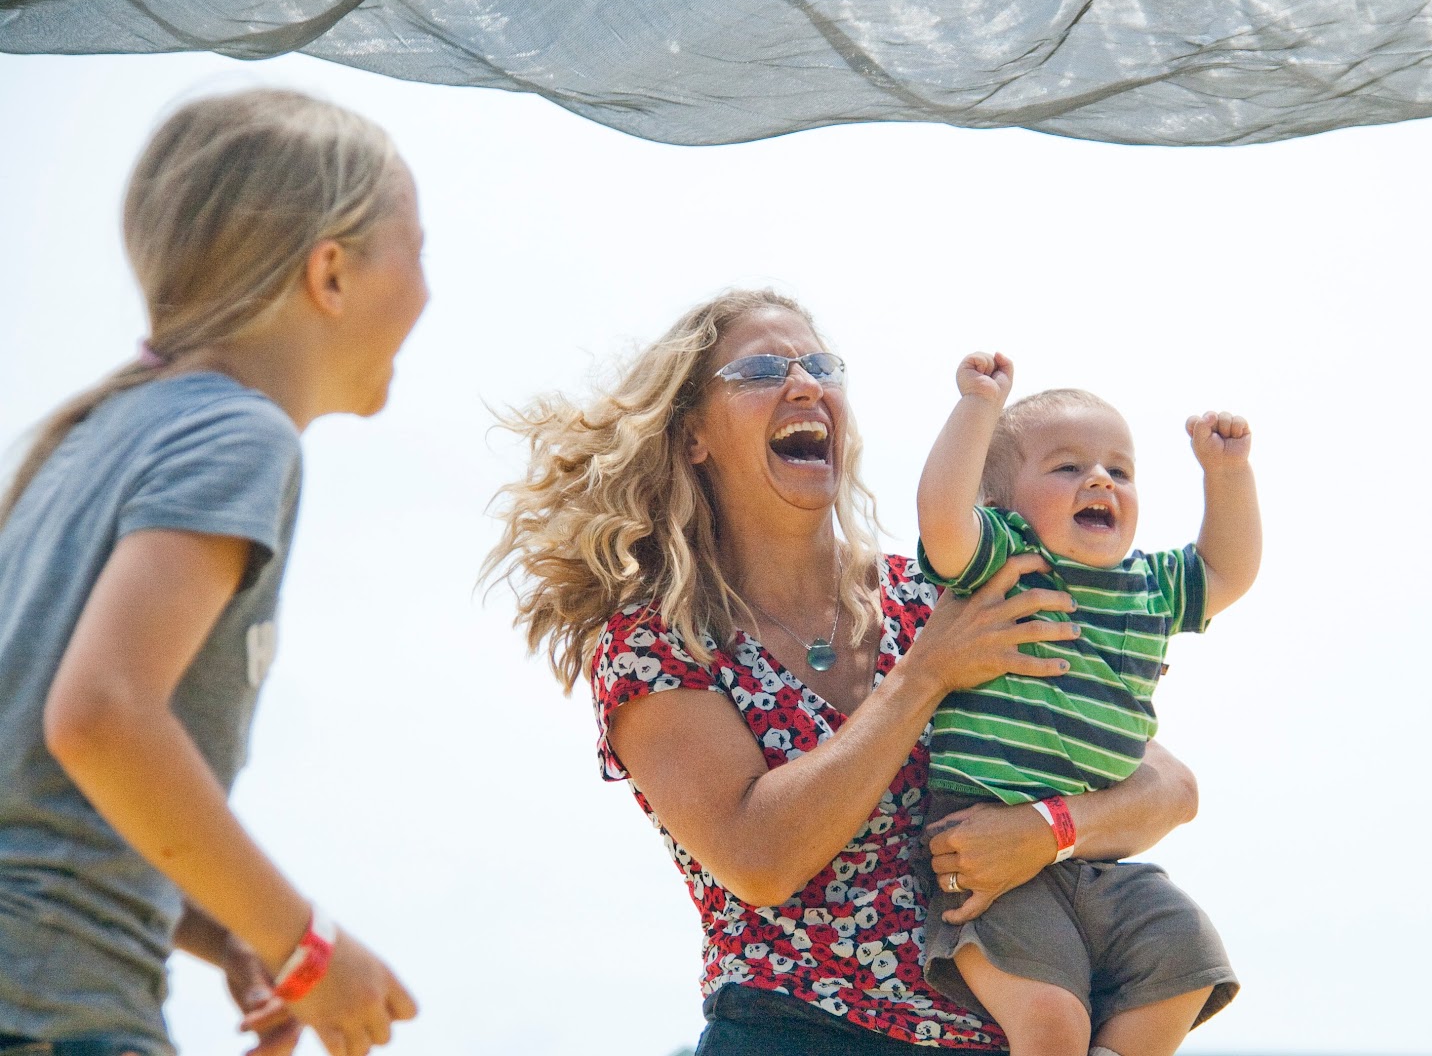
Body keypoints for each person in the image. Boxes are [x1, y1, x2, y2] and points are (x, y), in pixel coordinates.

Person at [487, 289, 1203, 1053]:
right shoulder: (658, 643)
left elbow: (1165, 787)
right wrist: (924, 675)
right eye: (763, 369)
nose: (807, 386)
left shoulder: (945, 594)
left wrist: (1044, 830)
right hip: (795, 1031)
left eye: (821, 367)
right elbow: (760, 860)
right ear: (693, 435)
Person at [0, 90, 425, 1056]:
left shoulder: (86, 438)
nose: (431, 291)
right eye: (418, 247)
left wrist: (217, 926)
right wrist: (306, 949)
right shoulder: (239, 434)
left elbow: (29, 772)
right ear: (330, 273)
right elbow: (101, 715)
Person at [913, 353, 1261, 1055]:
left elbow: (1229, 570)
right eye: (1067, 467)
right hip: (983, 838)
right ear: (1006, 504)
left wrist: (1226, 476)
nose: (1100, 479)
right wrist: (978, 407)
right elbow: (943, 518)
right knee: (1050, 1021)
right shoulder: (1006, 562)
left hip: (1095, 856)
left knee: (1185, 951)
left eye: (1119, 470)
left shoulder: (1151, 587)